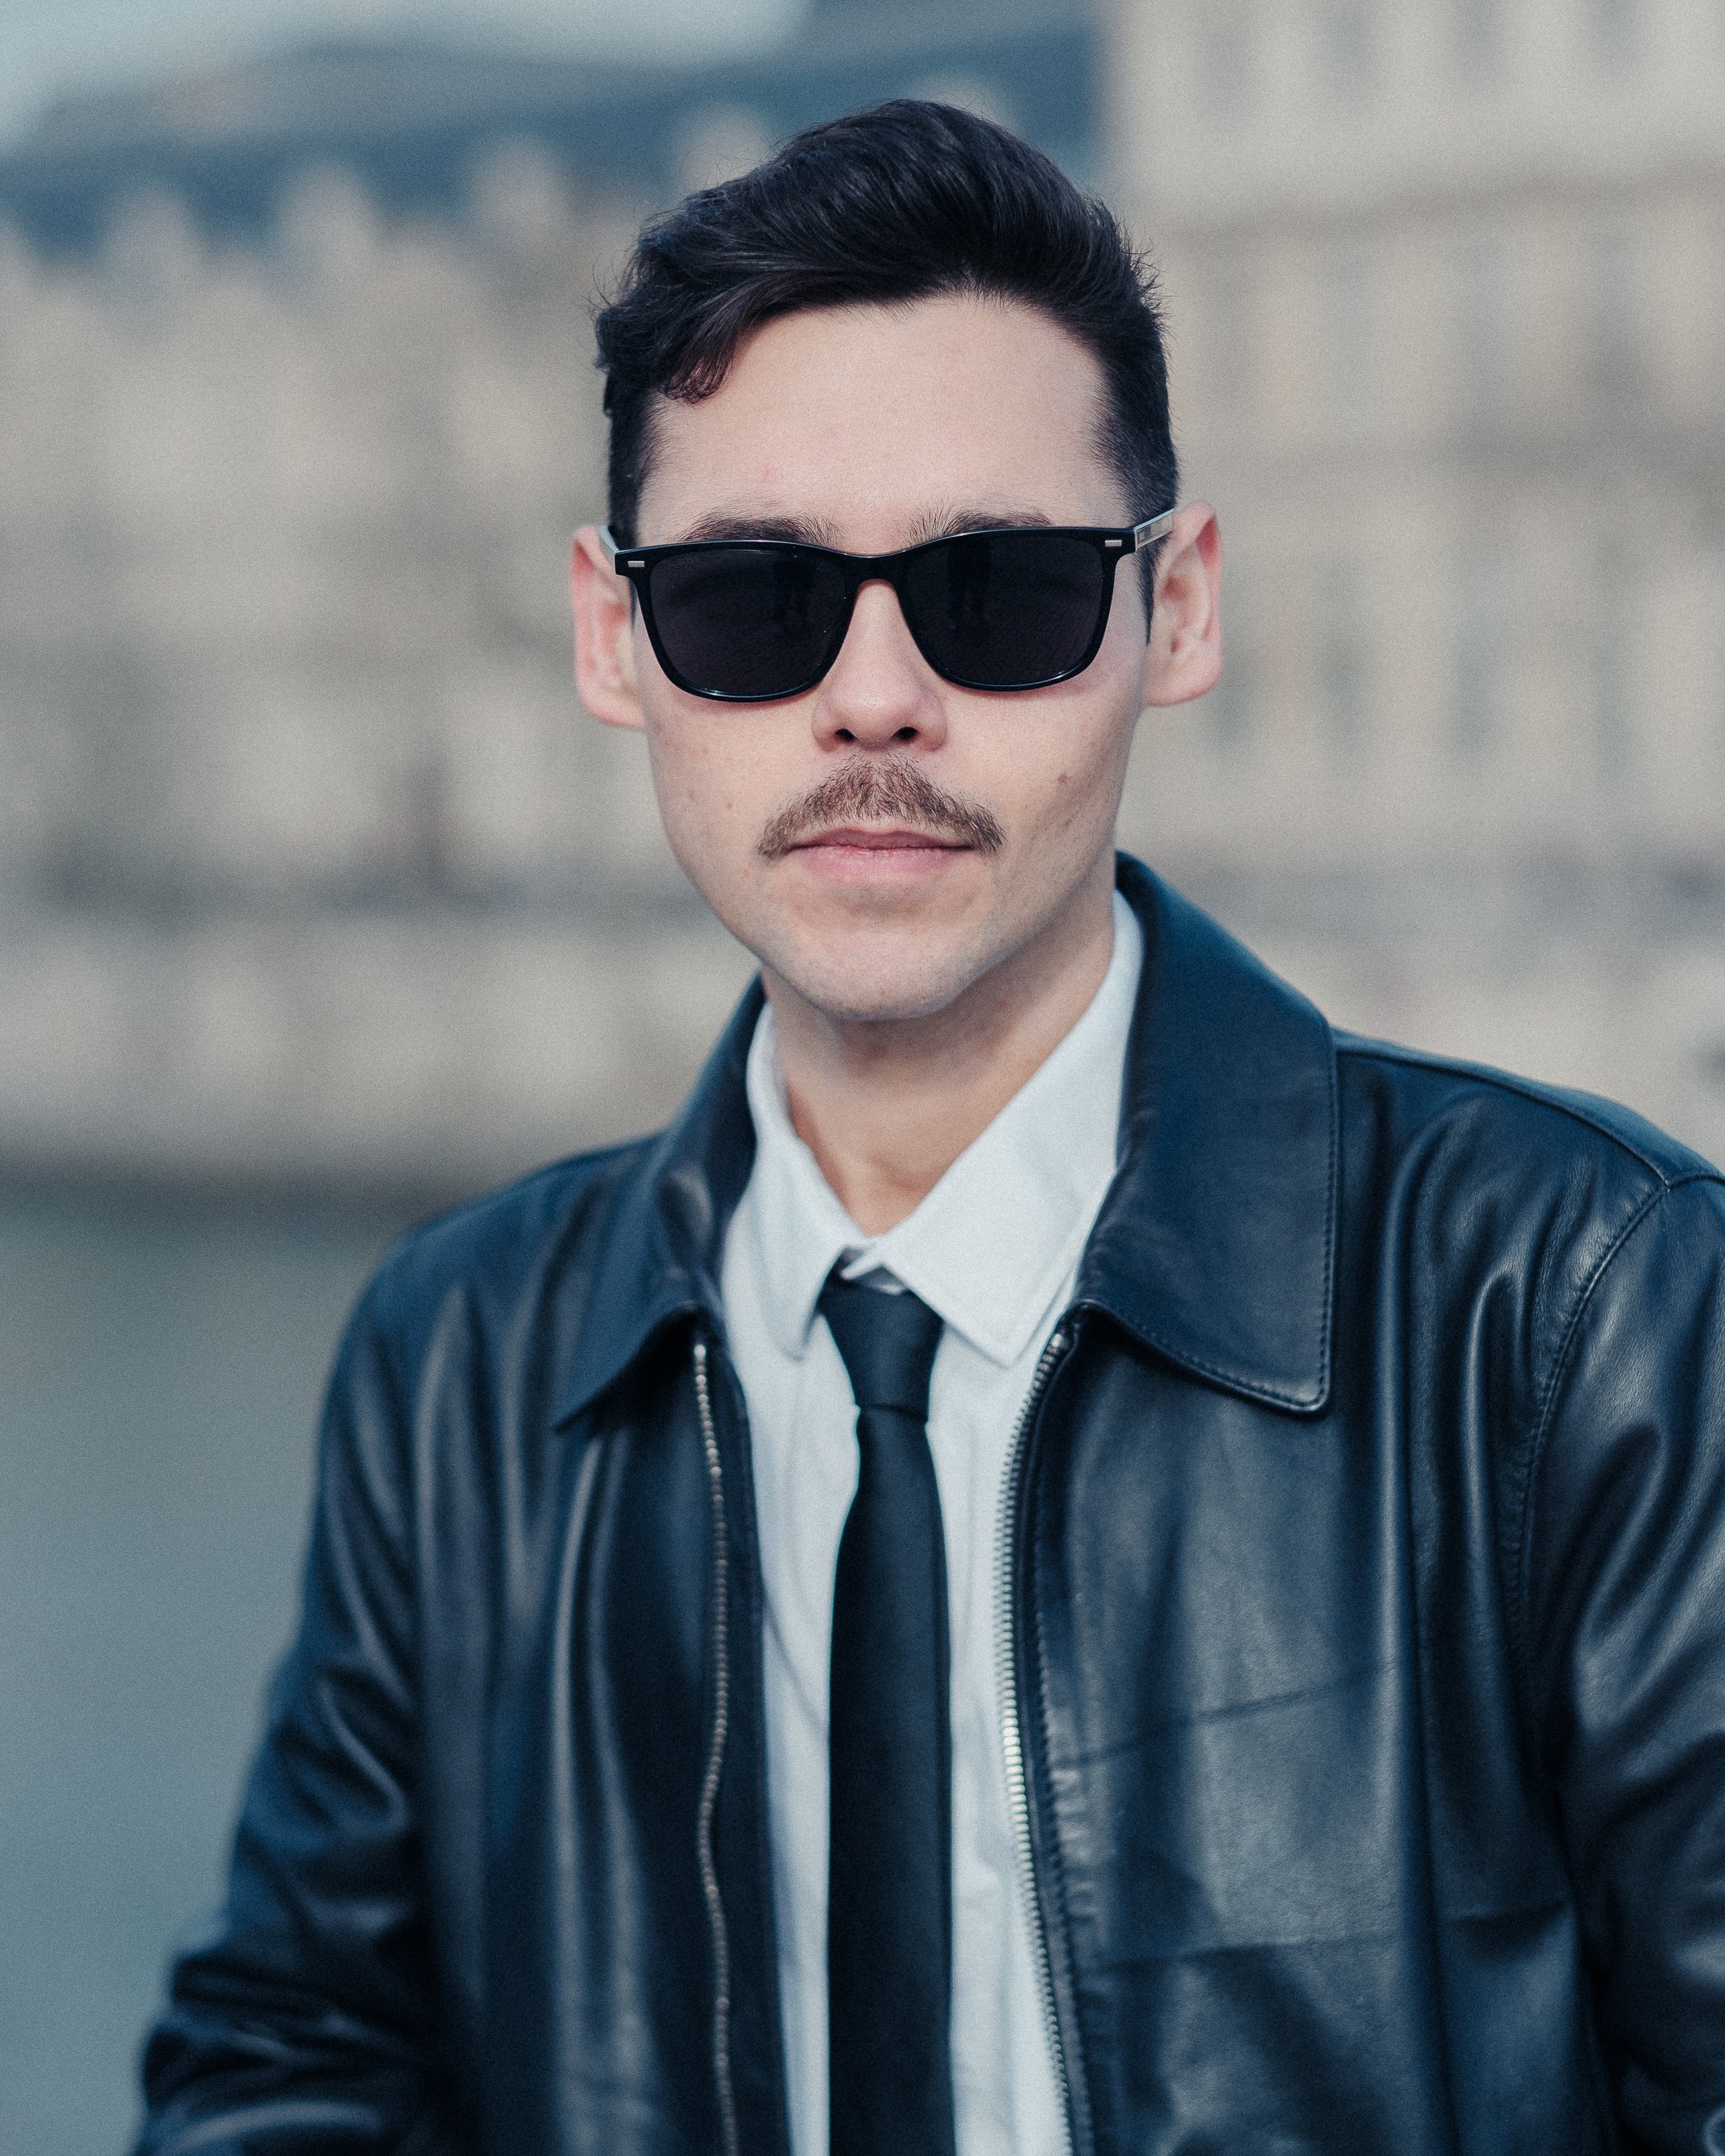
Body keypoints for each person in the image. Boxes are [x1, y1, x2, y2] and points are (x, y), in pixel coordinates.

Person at [135, 101, 1725, 2156]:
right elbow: (292, 2066)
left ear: (1182, 612)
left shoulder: (1585, 1308)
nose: (874, 699)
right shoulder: (458, 1363)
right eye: (750, 603)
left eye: (996, 591)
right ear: (618, 644)